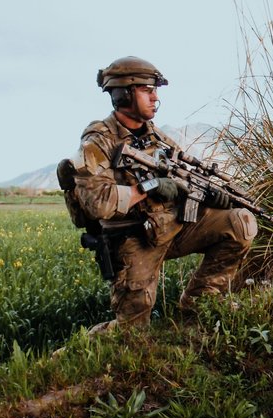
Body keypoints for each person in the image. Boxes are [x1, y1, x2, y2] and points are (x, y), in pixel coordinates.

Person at [63, 56, 257, 334]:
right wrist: (148, 187)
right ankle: (76, 350)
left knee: (240, 222)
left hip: (171, 228)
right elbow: (98, 204)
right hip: (133, 239)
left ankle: (200, 302)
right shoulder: (98, 141)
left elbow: (185, 178)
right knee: (131, 332)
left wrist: (211, 196)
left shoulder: (157, 138)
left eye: (155, 91)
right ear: (125, 94)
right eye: (147, 90)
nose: (155, 98)